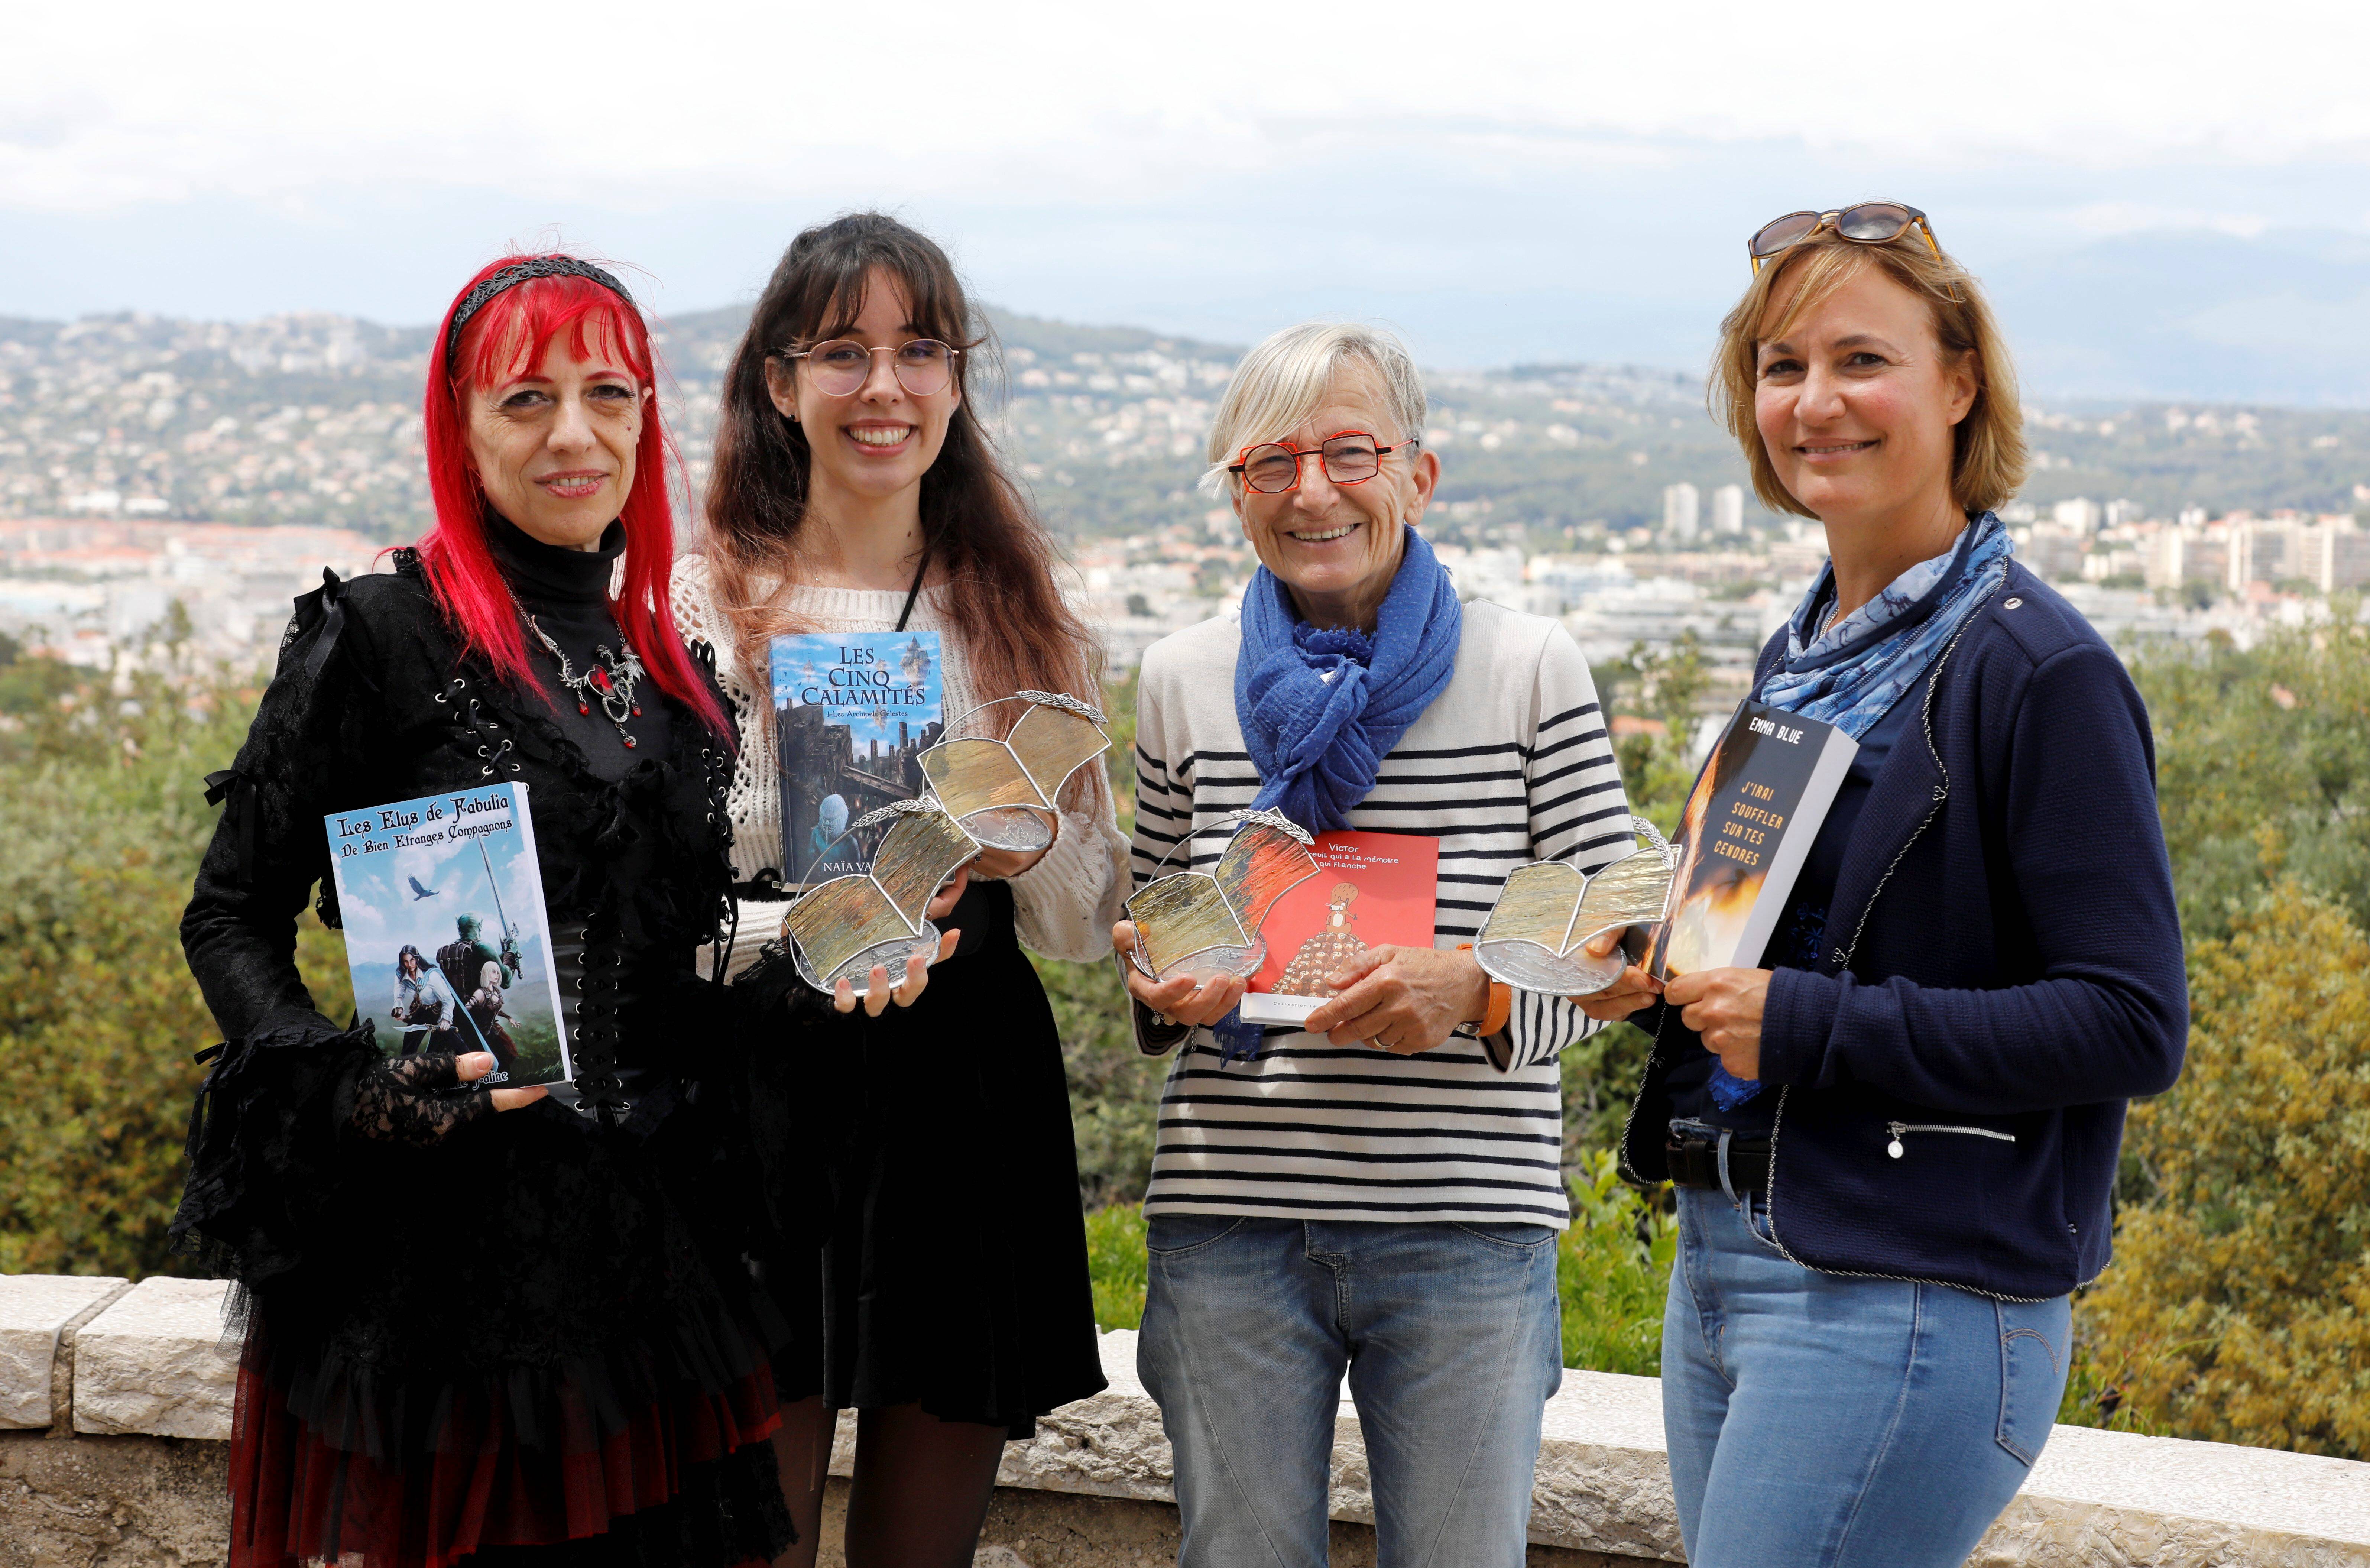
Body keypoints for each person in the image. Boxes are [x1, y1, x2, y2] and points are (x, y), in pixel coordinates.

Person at [173, 252, 944, 1568]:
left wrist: (841, 956)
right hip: (444, 1268)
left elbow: (678, 965)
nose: (573, 434)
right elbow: (230, 916)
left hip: (649, 1265)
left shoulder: (668, 671)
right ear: (460, 427)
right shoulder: (380, 636)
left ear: (647, 419)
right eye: (524, 400)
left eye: (607, 394)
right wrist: (358, 1085)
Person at [1578, 203, 2188, 1567]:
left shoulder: (2034, 673)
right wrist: (1655, 968)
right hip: (1728, 1255)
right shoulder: (1800, 656)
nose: (1812, 401)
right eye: (1779, 365)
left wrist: (1805, 1024)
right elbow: (1758, 945)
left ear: (1957, 382)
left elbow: (2128, 1022)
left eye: (1859, 359)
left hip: (1903, 1289)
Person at [1110, 320, 1632, 1567]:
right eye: (1266, 464)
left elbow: (1618, 957)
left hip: (1462, 1227)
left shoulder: (1527, 670)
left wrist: (1478, 995)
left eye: (1350, 452)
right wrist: (1167, 987)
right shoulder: (1181, 679)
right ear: (1234, 492)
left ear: (1417, 473)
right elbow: (1154, 935)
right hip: (1229, 1217)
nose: (1311, 491)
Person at [672, 212, 1127, 1568]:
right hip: (757, 1093)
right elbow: (649, 916)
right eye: (842, 351)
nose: (884, 387)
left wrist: (1025, 847)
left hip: (960, 1094)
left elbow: (1075, 920)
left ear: (956, 376)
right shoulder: (698, 606)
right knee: (744, 1538)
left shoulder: (1020, 612)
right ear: (775, 380)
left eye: (918, 348)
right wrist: (793, 925)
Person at [390, 943, 457, 1055]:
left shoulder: (431, 975)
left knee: (456, 1045)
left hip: (438, 1011)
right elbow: (399, 996)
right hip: (421, 1012)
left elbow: (448, 999)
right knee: (408, 1048)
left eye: (412, 960)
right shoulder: (401, 974)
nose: (410, 965)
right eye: (406, 961)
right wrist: (399, 1009)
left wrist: (446, 1019)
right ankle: (406, 1068)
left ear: (417, 958)